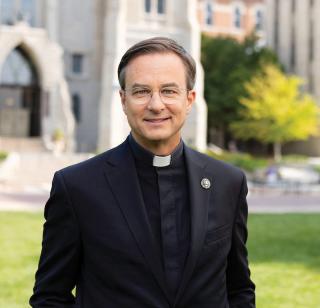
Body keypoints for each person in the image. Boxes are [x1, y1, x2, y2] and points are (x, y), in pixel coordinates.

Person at [30, 37, 255, 308]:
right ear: (123, 100)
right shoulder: (76, 187)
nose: (156, 105)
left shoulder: (227, 183)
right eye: (141, 92)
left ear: (189, 99)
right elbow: (50, 297)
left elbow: (239, 290)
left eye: (169, 91)